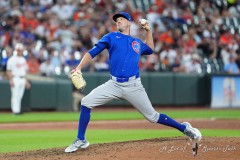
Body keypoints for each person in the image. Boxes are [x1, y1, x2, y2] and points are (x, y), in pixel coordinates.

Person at [65, 12, 202, 153]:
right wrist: (79, 67)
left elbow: (150, 49)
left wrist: (148, 31)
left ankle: (184, 128)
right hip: (114, 84)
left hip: (133, 85)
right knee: (86, 102)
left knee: (153, 117)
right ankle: (81, 139)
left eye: (121, 19)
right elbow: (92, 52)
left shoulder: (135, 42)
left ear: (129, 22)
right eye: (116, 20)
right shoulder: (111, 37)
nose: (118, 22)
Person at [7, 43, 31, 114]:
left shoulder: (23, 59)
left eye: (20, 50)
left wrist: (26, 81)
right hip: (15, 78)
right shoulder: (11, 59)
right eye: (18, 50)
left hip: (22, 79)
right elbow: (8, 70)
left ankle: (18, 110)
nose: (19, 51)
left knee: (20, 96)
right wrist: (11, 80)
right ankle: (15, 111)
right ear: (15, 50)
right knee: (15, 95)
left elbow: (25, 72)